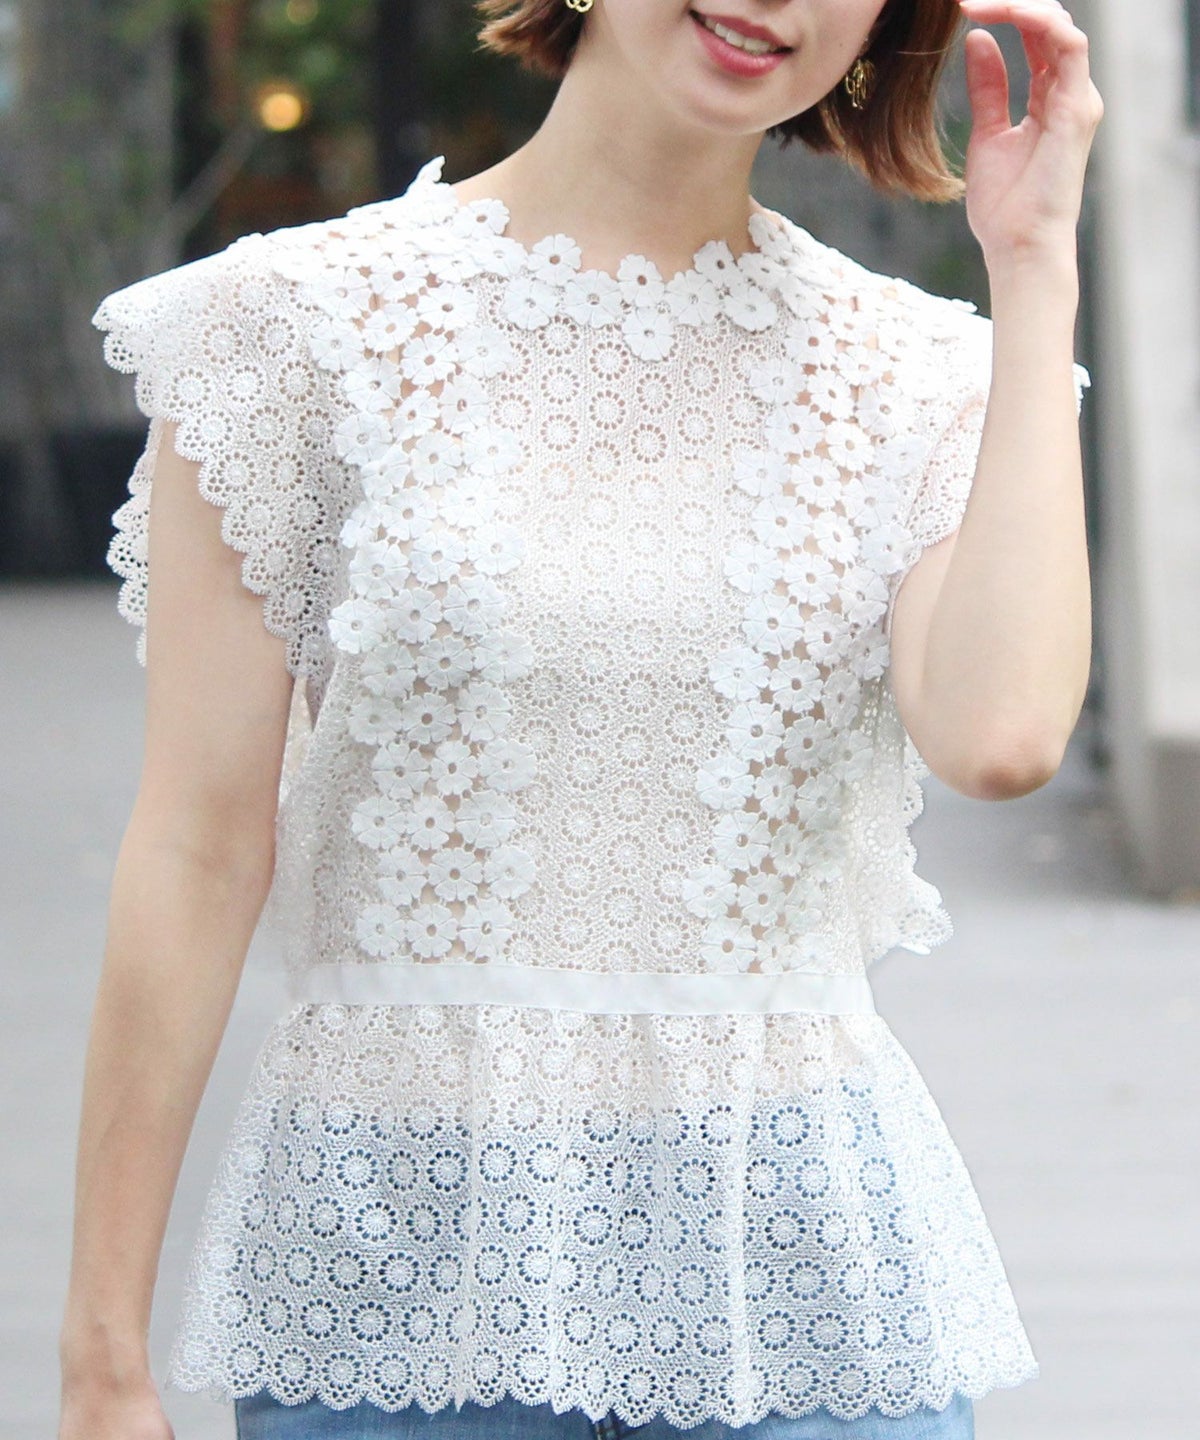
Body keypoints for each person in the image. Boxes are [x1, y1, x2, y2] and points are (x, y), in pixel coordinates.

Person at [57, 0, 1102, 1437]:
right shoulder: (287, 328)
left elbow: (1002, 736)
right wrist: (102, 1358)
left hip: (791, 1274)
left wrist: (1034, 269)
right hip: (402, 1267)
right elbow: (195, 849)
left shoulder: (915, 373)